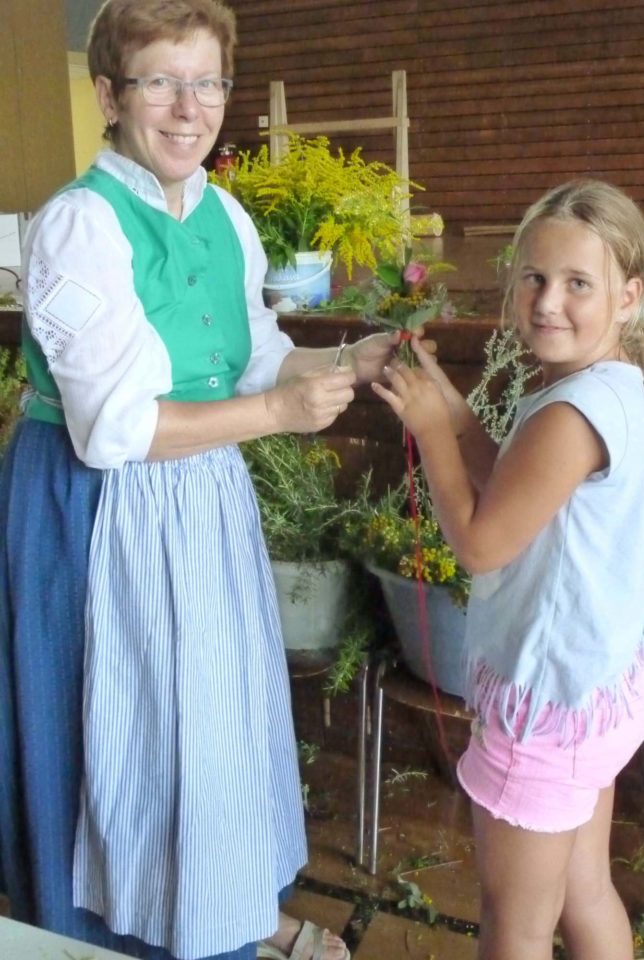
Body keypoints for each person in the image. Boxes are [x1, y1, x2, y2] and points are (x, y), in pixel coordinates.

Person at [0, 1, 406, 958]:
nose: (191, 109)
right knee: (124, 731)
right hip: (94, 511)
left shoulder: (224, 215)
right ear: (110, 95)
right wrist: (278, 414)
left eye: (209, 82)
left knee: (209, 718)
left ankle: (217, 914)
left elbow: (254, 357)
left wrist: (349, 361)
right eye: (161, 83)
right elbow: (116, 429)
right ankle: (110, 933)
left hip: (200, 497)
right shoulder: (79, 226)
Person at [372, 179, 644, 960]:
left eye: (577, 283)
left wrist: (431, 431)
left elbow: (481, 544)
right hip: (594, 692)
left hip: (546, 713)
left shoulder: (568, 414)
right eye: (534, 276)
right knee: (585, 892)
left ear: (628, 296)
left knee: (516, 923)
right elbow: (512, 480)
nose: (548, 302)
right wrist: (446, 401)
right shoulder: (603, 383)